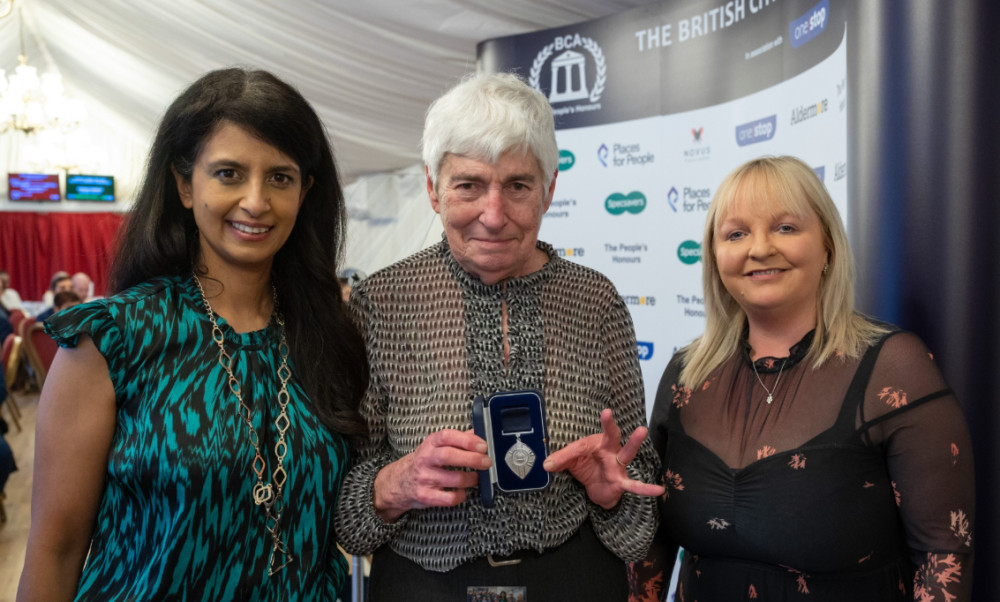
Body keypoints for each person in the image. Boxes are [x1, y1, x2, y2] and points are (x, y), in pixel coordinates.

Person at [17, 67, 369, 601]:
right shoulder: (116, 340)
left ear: (305, 191)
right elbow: (56, 549)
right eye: (229, 173)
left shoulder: (330, 337)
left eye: (280, 177)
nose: (256, 201)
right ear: (185, 184)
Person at [334, 72, 663, 601]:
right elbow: (345, 510)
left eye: (517, 185)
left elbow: (636, 482)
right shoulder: (381, 303)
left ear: (549, 189)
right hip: (425, 585)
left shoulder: (596, 301)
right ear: (432, 189)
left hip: (572, 580)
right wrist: (393, 486)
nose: (493, 214)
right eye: (468, 185)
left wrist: (611, 495)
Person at [633, 156, 975, 601]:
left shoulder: (892, 368)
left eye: (785, 228)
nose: (759, 248)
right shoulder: (685, 373)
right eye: (736, 234)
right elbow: (651, 550)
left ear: (828, 245)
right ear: (716, 257)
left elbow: (942, 554)